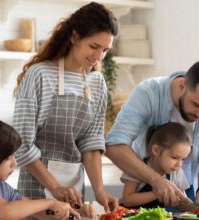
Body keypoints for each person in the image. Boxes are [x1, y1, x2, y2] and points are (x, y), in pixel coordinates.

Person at [12, 1, 119, 215]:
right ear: (74, 37)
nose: (99, 57)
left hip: (74, 193)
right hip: (36, 192)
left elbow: (91, 141)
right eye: (94, 46)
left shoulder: (97, 83)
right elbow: (22, 142)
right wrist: (54, 187)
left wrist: (99, 191)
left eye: (105, 50)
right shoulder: (39, 75)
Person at [106, 61, 199, 209]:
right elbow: (114, 145)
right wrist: (156, 180)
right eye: (196, 105)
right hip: (145, 180)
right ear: (182, 85)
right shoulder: (148, 93)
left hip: (189, 189)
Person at [0, 117, 80, 220]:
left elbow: (36, 211)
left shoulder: (0, 186)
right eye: (7, 157)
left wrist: (72, 212)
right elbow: (6, 210)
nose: (14, 163)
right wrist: (50, 203)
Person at [121, 122, 191, 209]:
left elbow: (183, 202)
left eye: (183, 159)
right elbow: (127, 200)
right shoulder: (137, 168)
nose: (179, 164)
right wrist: (157, 193)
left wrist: (193, 206)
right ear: (156, 150)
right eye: (174, 157)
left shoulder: (177, 173)